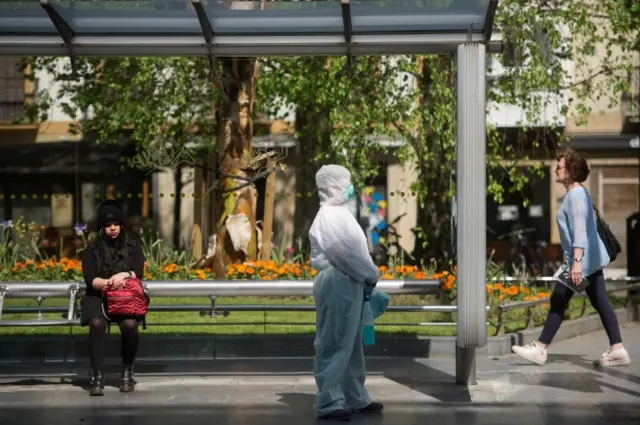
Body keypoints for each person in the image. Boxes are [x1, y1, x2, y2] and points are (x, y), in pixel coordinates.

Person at [511, 149, 630, 367]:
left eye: (560, 166)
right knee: (600, 302)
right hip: (588, 261)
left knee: (559, 300)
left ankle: (540, 348)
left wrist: (576, 264)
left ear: (571, 171)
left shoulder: (575, 195)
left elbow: (579, 232)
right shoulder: (578, 193)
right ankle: (618, 349)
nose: (556, 169)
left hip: (581, 263)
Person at [309, 164, 388, 421]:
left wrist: (367, 276)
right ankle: (329, 401)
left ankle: (355, 396)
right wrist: (371, 274)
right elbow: (346, 254)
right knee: (334, 341)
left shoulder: (339, 214)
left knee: (351, 343)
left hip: (349, 283)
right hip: (339, 283)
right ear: (333, 186)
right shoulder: (329, 217)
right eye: (345, 183)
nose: (350, 188)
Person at [80, 200, 146, 396]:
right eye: (108, 226)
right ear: (102, 228)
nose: (112, 229)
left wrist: (123, 275)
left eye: (115, 225)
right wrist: (110, 283)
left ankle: (127, 370)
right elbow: (91, 280)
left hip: (127, 296)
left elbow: (138, 272)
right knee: (97, 324)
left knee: (130, 325)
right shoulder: (91, 250)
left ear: (122, 226)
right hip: (98, 296)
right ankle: (97, 374)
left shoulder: (134, 247)